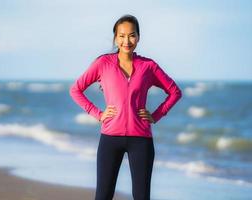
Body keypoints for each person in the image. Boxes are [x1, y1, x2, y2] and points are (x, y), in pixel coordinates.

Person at [69, 14, 182, 200]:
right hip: (110, 139)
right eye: (121, 36)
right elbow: (76, 90)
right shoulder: (103, 64)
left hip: (141, 140)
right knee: (103, 196)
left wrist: (157, 115)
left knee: (141, 196)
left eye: (131, 35)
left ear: (138, 37)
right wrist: (97, 113)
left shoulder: (149, 66)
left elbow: (175, 91)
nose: (126, 41)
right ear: (115, 38)